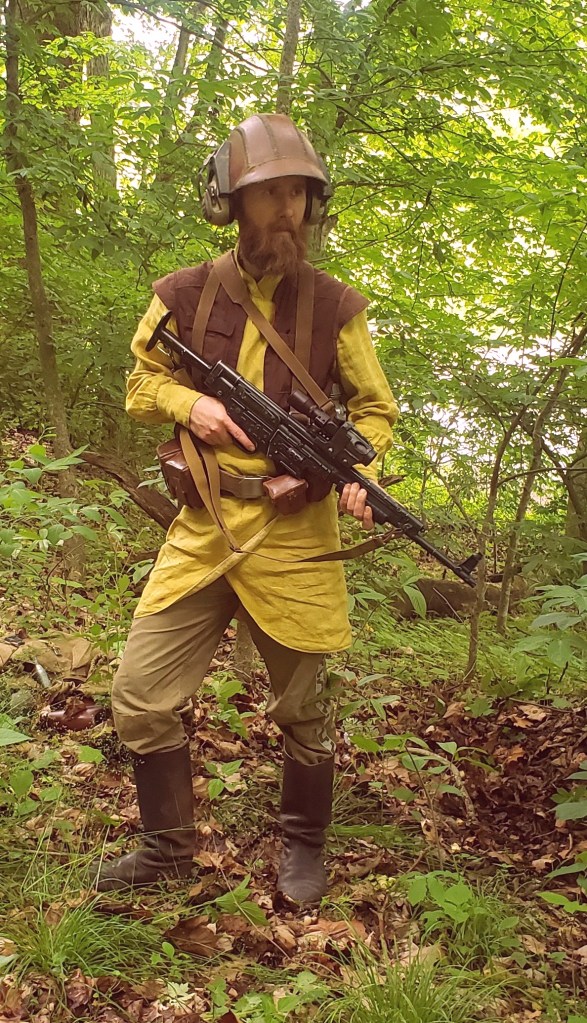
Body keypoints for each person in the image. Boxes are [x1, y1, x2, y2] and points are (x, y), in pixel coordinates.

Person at [91, 113, 398, 902]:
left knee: (305, 707)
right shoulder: (182, 294)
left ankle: (303, 847)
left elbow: (374, 411)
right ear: (230, 201)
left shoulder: (336, 307)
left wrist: (354, 472)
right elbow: (140, 382)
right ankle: (167, 850)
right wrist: (189, 405)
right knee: (140, 692)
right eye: (268, 194)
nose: (286, 210)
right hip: (205, 524)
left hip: (297, 533)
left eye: (297, 194)